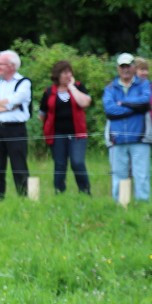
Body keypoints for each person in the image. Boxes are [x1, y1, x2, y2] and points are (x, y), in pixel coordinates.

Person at [0, 50, 32, 200]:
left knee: (19, 165)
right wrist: (5, 105)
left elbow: (19, 98)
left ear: (12, 66)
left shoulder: (24, 83)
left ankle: (24, 198)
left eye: (0, 64)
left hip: (16, 129)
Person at [37, 60, 92, 195]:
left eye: (69, 72)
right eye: (64, 73)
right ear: (58, 75)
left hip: (77, 134)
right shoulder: (49, 92)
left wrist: (72, 87)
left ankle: (85, 192)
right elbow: (42, 114)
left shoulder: (79, 87)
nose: (68, 75)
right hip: (57, 134)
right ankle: (59, 192)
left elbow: (85, 103)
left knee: (77, 162)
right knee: (60, 165)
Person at [103, 53, 151, 203]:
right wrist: (134, 107)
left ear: (134, 67)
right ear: (118, 68)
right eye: (122, 66)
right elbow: (110, 110)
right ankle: (120, 207)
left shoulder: (143, 84)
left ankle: (143, 210)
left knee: (141, 176)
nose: (125, 69)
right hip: (117, 139)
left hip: (140, 138)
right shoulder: (110, 88)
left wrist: (122, 103)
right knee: (118, 175)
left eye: (128, 66)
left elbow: (145, 102)